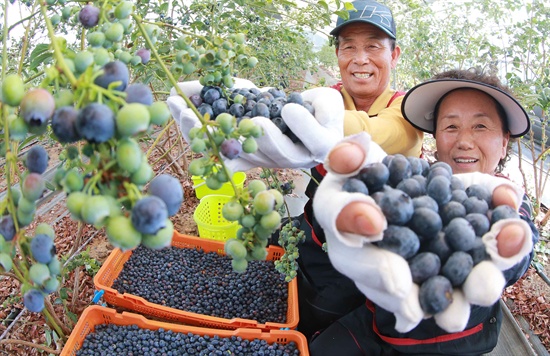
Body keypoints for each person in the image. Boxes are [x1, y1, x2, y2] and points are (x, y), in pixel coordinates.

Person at [307, 69, 539, 355]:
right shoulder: (421, 179)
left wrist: (507, 252)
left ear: (504, 142)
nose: (464, 140)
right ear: (436, 137)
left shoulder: (509, 199)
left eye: (480, 127)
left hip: (456, 340)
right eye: (451, 127)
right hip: (381, 318)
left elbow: (521, 241)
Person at [295, 0, 423, 340]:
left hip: (365, 259)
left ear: (394, 56)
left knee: (327, 321)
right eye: (348, 46)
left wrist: (295, 112)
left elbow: (371, 133)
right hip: (312, 235)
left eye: (373, 46)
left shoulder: (406, 111)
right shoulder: (330, 96)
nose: (360, 59)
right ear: (337, 55)